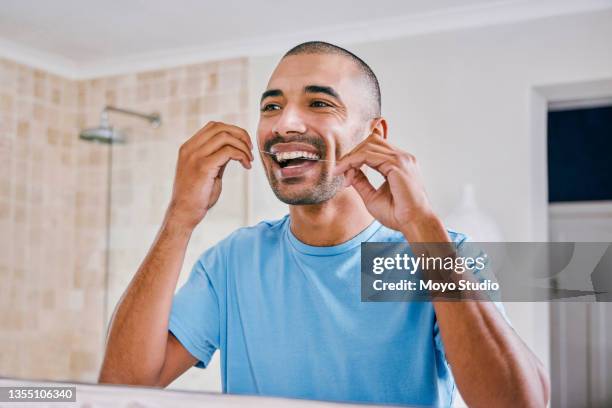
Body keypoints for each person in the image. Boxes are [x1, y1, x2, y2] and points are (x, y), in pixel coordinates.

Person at [98, 41, 549, 407]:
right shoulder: (233, 262)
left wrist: (423, 226)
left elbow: (518, 403)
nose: (285, 123)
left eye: (318, 102)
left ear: (375, 135)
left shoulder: (437, 255)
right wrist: (180, 218)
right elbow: (120, 386)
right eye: (271, 107)